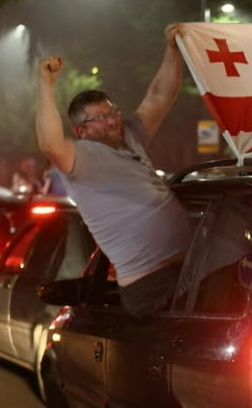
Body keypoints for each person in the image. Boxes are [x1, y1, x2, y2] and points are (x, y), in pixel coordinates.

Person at [36, 23, 193, 316]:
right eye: (100, 118)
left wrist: (173, 49)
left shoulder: (131, 135)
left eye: (112, 112)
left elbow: (159, 96)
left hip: (185, 270)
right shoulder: (80, 158)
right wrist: (46, 86)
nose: (112, 121)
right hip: (150, 286)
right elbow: (49, 144)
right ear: (80, 130)